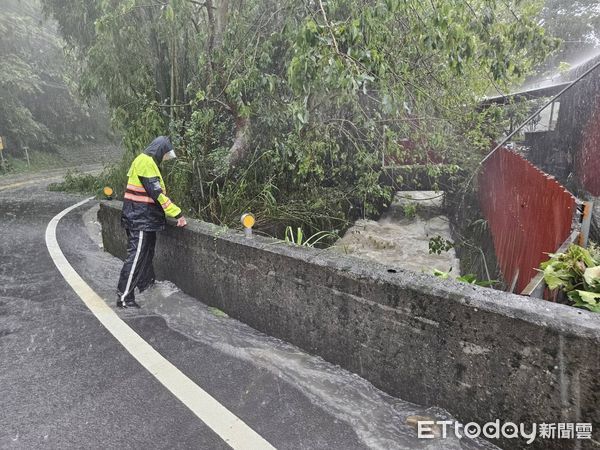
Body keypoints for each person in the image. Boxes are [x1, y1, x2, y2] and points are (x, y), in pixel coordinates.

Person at [116, 136, 187, 308]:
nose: (165, 158)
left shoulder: (146, 161)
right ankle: (124, 297)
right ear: (160, 150)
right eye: (165, 154)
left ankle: (146, 285)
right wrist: (177, 213)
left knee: (145, 255)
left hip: (144, 218)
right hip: (140, 219)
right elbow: (157, 194)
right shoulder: (146, 162)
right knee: (136, 257)